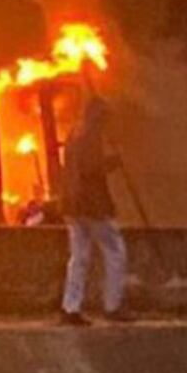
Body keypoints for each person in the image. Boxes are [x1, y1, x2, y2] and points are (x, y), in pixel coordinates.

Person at [58, 95, 129, 326]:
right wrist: (113, 162)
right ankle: (112, 306)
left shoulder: (73, 133)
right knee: (115, 251)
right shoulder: (90, 135)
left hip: (72, 204)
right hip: (92, 205)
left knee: (79, 257)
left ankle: (71, 307)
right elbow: (90, 169)